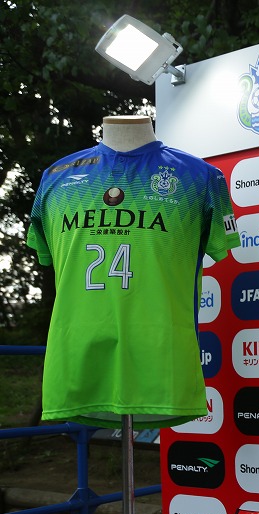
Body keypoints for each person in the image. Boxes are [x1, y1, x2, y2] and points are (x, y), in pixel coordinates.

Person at [25, 115, 240, 427]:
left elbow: (219, 246)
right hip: (77, 360)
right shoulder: (55, 178)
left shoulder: (201, 177)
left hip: (160, 361)